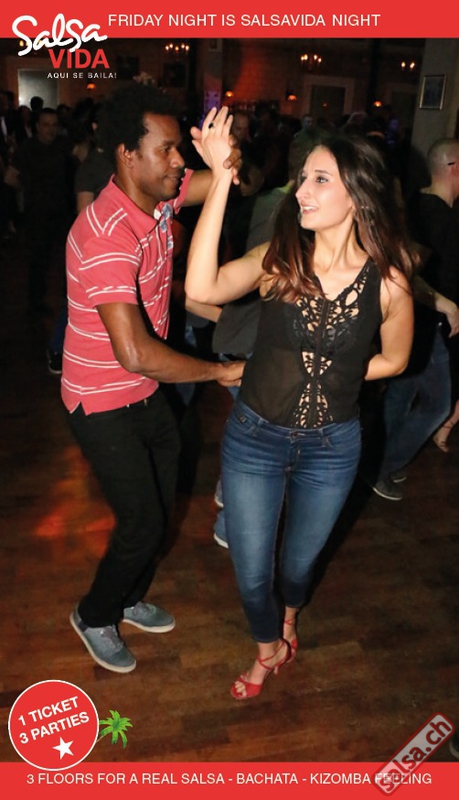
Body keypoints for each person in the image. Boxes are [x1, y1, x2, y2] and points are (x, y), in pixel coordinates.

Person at [185, 108, 415, 700]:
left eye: (319, 179)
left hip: (332, 449)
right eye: (302, 177)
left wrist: (334, 371)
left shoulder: (389, 282)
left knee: (296, 568)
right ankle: (267, 648)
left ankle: (289, 617)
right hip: (254, 439)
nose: (301, 191)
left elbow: (394, 359)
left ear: (356, 194)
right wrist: (219, 181)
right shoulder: (280, 260)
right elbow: (201, 288)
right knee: (251, 572)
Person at [63, 84, 244, 674]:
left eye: (178, 150)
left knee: (161, 509)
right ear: (127, 155)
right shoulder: (105, 234)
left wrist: (223, 157)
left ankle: (128, 594)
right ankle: (94, 613)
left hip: (144, 393)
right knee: (141, 521)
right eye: (166, 150)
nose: (178, 161)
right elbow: (136, 353)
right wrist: (220, 370)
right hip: (100, 400)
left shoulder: (159, 197)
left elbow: (220, 182)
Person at [370, 137, 459, 500]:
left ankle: (377, 463)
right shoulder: (434, 217)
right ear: (454, 168)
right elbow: (407, 273)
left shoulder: (417, 204)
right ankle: (381, 466)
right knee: (437, 403)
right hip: (423, 323)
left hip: (415, 320)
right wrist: (443, 303)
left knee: (401, 395)